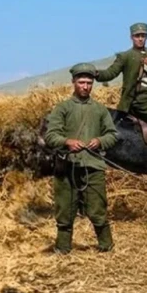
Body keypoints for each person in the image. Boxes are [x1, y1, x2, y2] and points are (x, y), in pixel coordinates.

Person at [44, 63, 120, 254]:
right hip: (67, 167)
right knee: (65, 211)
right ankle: (62, 250)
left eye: (89, 83)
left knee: (98, 210)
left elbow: (113, 134)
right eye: (81, 82)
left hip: (93, 166)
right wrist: (67, 141)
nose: (85, 86)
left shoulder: (100, 110)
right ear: (73, 82)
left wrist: (100, 141)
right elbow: (50, 135)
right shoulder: (62, 108)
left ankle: (106, 248)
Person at [95, 22, 147, 144]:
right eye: (137, 36)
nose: (140, 39)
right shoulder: (125, 56)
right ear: (131, 37)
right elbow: (110, 73)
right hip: (140, 101)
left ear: (146, 37)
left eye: (143, 36)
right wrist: (97, 74)